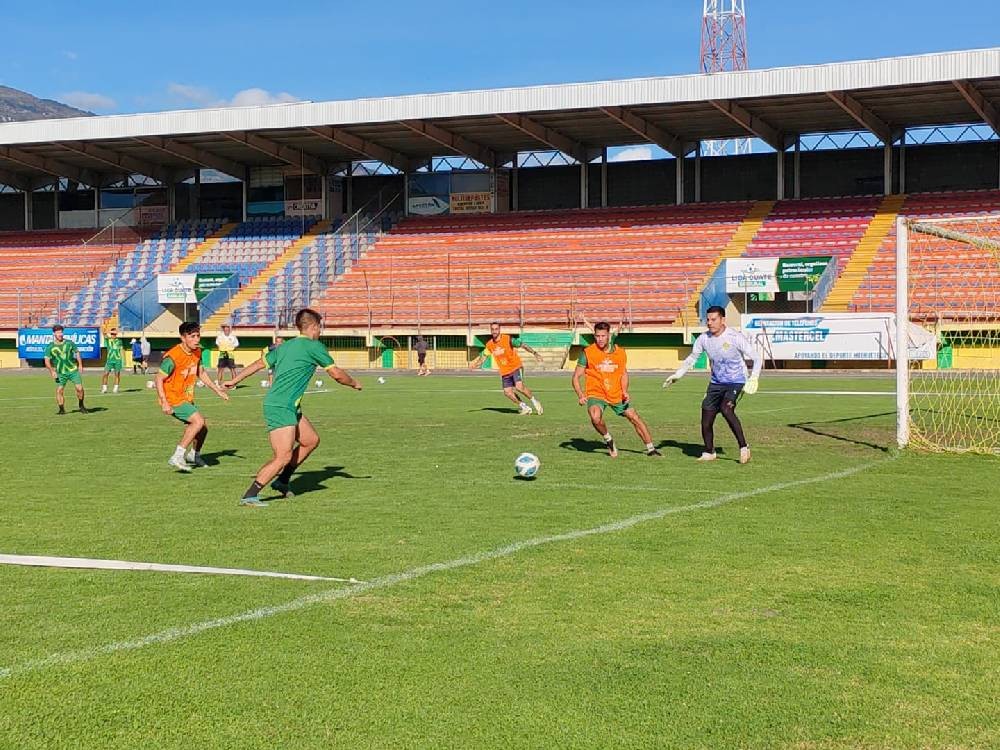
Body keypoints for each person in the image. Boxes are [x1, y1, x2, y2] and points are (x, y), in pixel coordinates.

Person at [223, 308, 362, 508]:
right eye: (319, 327)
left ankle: (282, 481)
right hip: (281, 405)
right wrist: (354, 383)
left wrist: (234, 380)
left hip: (288, 405)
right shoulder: (314, 347)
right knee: (283, 455)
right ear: (314, 327)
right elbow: (337, 375)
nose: (320, 331)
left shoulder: (285, 347)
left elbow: (258, 364)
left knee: (310, 440)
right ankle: (250, 494)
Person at [663, 305, 762, 464]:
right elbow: (692, 358)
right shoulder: (703, 339)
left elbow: (757, 358)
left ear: (723, 320)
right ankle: (709, 452)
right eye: (708, 319)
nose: (710, 323)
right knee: (706, 418)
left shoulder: (735, 337)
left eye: (713, 319)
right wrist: (678, 374)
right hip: (716, 382)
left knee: (726, 409)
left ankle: (744, 447)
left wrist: (753, 377)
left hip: (736, 381)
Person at [572, 321, 660, 458]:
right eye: (597, 336)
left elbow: (623, 374)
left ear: (609, 336)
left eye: (603, 336)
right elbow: (576, 377)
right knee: (595, 417)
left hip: (616, 393)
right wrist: (580, 394)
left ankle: (651, 449)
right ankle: (608, 439)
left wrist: (624, 391)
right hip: (597, 393)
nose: (599, 339)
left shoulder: (620, 353)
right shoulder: (588, 353)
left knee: (634, 417)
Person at [155, 321, 230, 472]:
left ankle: (194, 455)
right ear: (183, 338)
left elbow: (201, 373)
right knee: (198, 421)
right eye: (192, 336)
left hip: (185, 397)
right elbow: (158, 379)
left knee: (203, 428)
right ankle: (177, 455)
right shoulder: (173, 357)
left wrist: (217, 390)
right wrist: (164, 402)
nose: (196, 339)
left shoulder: (197, 352)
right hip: (172, 398)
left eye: (198, 336)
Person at [469, 322, 544, 415]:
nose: (494, 331)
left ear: (499, 330)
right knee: (507, 392)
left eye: (496, 329)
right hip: (505, 371)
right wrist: (475, 364)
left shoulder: (508, 339)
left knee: (519, 387)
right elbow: (483, 357)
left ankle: (535, 401)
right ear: (491, 330)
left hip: (515, 367)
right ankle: (525, 407)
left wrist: (534, 353)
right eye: (492, 329)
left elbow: (522, 345)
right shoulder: (489, 344)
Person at [44, 324, 89, 415]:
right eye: (58, 332)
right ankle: (61, 409)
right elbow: (47, 361)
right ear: (54, 334)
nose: (60, 334)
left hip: (73, 370)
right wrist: (52, 371)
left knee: (79, 389)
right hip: (60, 372)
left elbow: (77, 352)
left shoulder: (69, 343)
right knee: (59, 390)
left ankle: (81, 405)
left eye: (61, 332)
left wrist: (80, 365)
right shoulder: (50, 346)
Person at [101, 327, 124, 394]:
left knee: (117, 374)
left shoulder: (119, 341)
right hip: (109, 360)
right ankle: (104, 388)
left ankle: (115, 388)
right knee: (105, 374)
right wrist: (106, 329)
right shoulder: (108, 340)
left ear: (116, 334)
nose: (113, 335)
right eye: (112, 334)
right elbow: (104, 334)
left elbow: (121, 350)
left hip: (117, 360)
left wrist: (123, 360)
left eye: (114, 334)